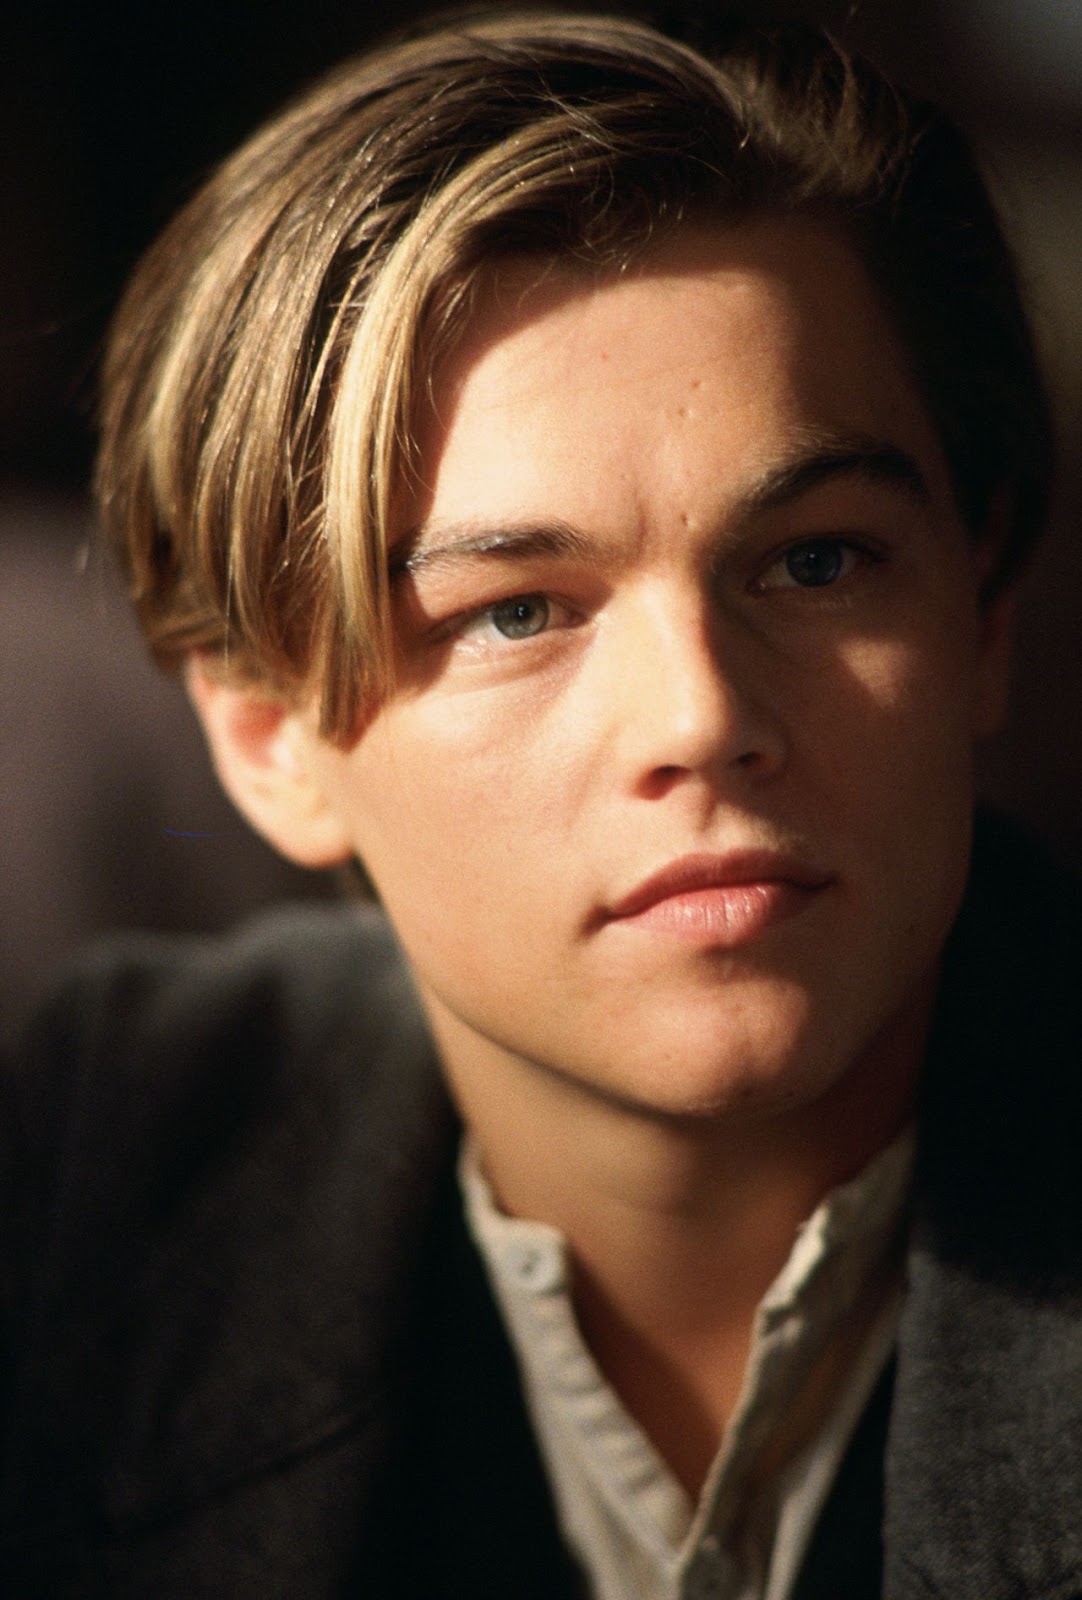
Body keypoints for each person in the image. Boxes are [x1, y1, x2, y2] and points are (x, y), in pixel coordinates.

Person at [3, 10, 1079, 1598]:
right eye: (513, 612)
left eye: (814, 562)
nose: (702, 717)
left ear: (980, 616)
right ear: (267, 736)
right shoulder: (70, 1203)